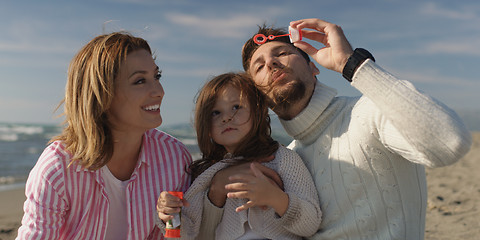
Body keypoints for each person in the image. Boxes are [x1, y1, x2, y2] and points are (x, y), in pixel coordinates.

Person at [205, 18, 473, 239]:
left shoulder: (368, 113)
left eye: (283, 53)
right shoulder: (287, 158)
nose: (271, 64)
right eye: (259, 66)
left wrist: (352, 64)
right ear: (258, 95)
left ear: (313, 67)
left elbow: (450, 143)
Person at [16, 32, 192, 239]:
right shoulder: (58, 169)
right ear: (102, 94)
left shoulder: (174, 158)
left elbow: (179, 233)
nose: (159, 91)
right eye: (140, 81)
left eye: (157, 76)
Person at [156, 72, 322, 239]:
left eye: (236, 107)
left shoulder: (284, 160)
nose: (226, 118)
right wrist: (170, 215)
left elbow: (311, 224)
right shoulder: (206, 174)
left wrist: (277, 198)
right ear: (205, 124)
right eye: (215, 112)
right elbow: (186, 235)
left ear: (257, 111)